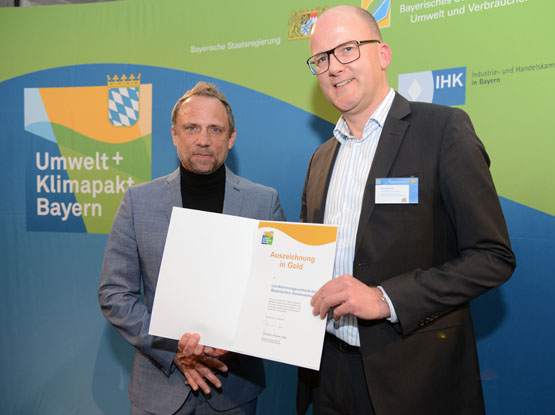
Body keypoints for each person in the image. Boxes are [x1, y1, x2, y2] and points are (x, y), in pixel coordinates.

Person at [297, 5, 516, 415]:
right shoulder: (320, 159)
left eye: (347, 49)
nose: (333, 67)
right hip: (328, 376)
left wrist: (385, 299)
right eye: (321, 58)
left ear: (383, 54)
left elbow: (493, 257)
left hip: (415, 379)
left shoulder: (443, 130)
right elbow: (306, 263)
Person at [98, 81, 286, 415]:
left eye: (215, 129)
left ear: (231, 138)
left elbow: (276, 294)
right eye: (192, 128)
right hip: (158, 391)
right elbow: (114, 293)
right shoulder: (138, 202)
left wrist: (232, 346)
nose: (203, 140)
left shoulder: (263, 202)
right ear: (175, 134)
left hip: (234, 390)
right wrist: (174, 351)